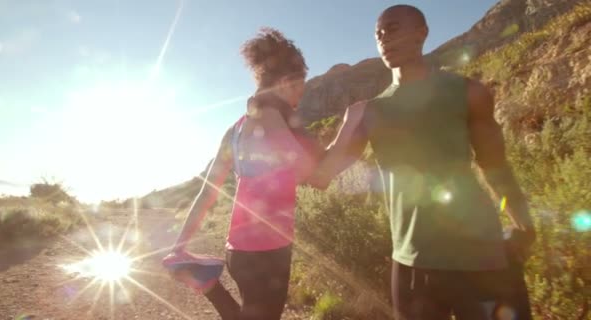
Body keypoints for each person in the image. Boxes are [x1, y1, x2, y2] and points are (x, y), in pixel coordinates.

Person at [308, 5, 536, 320]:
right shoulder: (368, 111)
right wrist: (338, 125)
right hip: (413, 262)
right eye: (379, 34)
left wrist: (524, 224)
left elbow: (496, 167)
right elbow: (321, 176)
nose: (384, 38)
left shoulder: (467, 92)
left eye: (393, 28)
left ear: (422, 32)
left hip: (482, 256)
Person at [163, 27, 320, 320]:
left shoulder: (233, 130)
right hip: (269, 251)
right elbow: (314, 174)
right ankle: (210, 288)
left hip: (238, 250)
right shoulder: (273, 121)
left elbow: (207, 192)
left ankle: (209, 285)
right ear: (287, 81)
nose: (301, 94)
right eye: (301, 85)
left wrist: (180, 244)